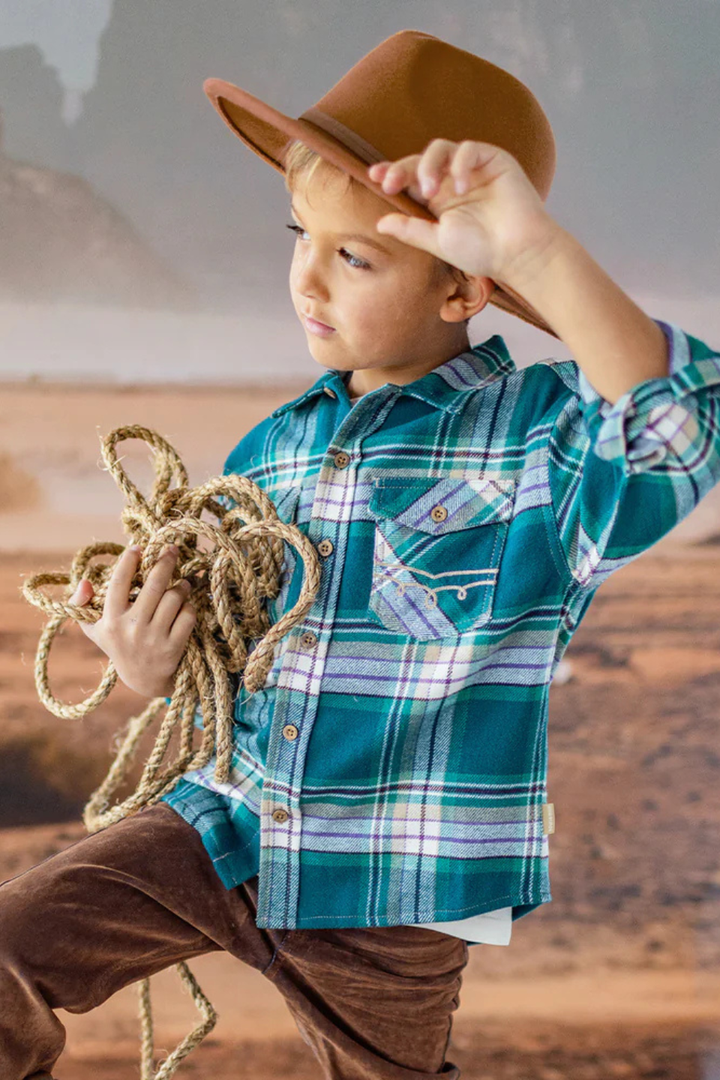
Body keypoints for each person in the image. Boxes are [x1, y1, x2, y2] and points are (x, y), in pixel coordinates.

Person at [3, 28, 720, 1080]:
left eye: (354, 255)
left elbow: (676, 438)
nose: (307, 279)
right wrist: (157, 672)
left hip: (400, 877)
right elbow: (236, 663)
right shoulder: (273, 447)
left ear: (465, 290)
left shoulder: (536, 441)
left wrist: (532, 248)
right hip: (227, 821)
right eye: (301, 234)